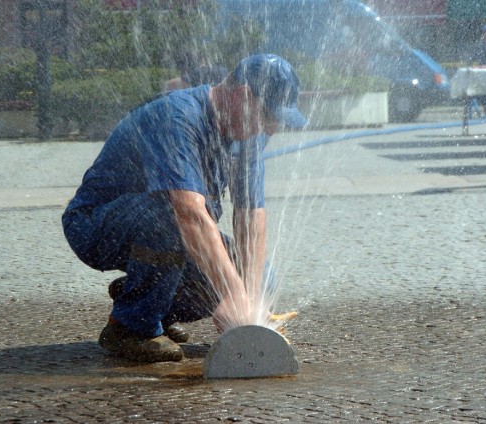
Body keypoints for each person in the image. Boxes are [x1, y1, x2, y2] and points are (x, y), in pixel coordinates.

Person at [62, 54, 307, 362]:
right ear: (242, 95)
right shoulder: (178, 117)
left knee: (260, 278)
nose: (270, 130)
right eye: (268, 117)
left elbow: (251, 216)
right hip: (96, 225)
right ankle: (130, 327)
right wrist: (232, 296)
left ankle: (151, 301)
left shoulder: (249, 135)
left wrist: (251, 301)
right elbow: (188, 213)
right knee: (171, 217)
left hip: (161, 226)